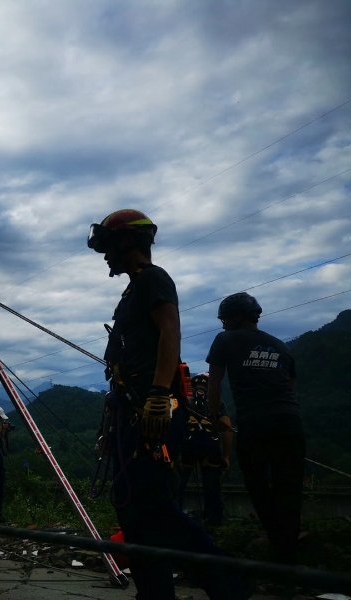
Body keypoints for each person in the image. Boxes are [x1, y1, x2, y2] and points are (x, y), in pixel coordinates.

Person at [88, 208, 247, 600]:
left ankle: (229, 584)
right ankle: (155, 593)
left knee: (153, 506)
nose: (106, 256)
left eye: (109, 247)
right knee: (132, 508)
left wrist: (160, 394)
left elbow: (170, 333)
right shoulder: (132, 291)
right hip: (131, 412)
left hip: (151, 413)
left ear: (127, 242)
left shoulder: (153, 279)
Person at [206, 292, 305, 564]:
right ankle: (288, 554)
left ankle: (277, 545)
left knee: (258, 485)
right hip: (290, 422)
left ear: (237, 317)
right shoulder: (280, 346)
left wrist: (215, 416)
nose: (224, 324)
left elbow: (214, 384)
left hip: (255, 423)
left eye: (225, 319)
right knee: (289, 487)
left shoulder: (225, 339)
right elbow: (289, 387)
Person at [178, 372, 233, 527]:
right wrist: (226, 456)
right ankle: (214, 523)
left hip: (187, 448)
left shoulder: (185, 402)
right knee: (212, 487)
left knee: (178, 485)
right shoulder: (217, 403)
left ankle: (173, 519)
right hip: (211, 449)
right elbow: (228, 429)